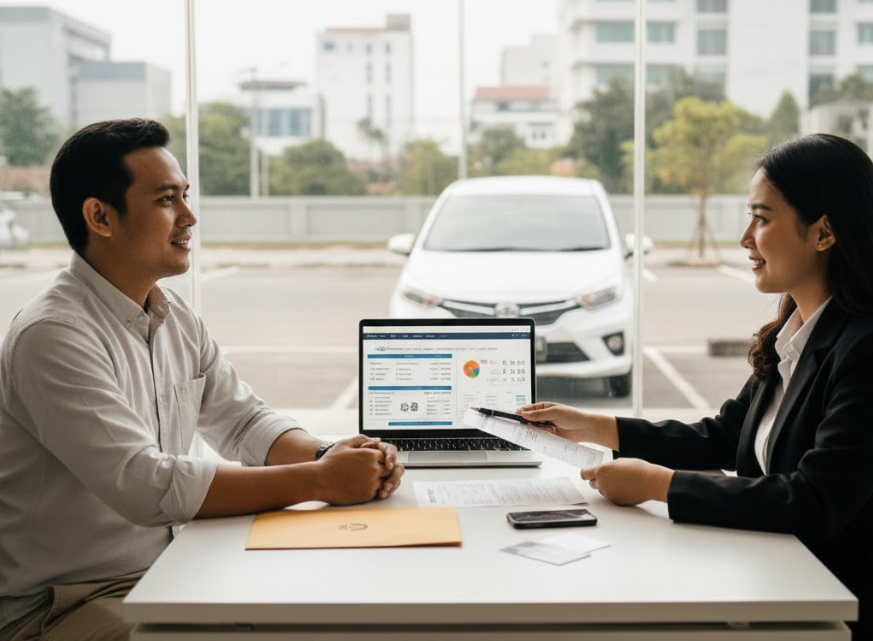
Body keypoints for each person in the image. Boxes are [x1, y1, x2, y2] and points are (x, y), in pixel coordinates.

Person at [0, 118, 405, 641]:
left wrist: (329, 455)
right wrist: (323, 481)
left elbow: (244, 422)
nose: (189, 217)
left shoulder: (172, 315)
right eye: (167, 200)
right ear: (100, 216)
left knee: (328, 602)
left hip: (168, 567)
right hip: (66, 605)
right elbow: (144, 484)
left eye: (185, 196)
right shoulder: (53, 335)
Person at [519, 133, 873, 640]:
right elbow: (724, 436)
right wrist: (593, 425)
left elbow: (813, 502)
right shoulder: (798, 330)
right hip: (772, 579)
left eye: (763, 218)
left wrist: (655, 485)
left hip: (828, 606)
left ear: (824, 233)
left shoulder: (863, 349)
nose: (745, 238)